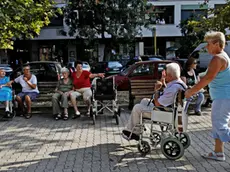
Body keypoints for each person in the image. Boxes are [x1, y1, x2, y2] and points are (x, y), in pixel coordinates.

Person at [185, 31, 230, 161]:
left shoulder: (218, 58)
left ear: (216, 44)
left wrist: (191, 91)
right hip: (222, 97)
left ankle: (218, 153)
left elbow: (208, 79)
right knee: (217, 125)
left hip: (223, 97)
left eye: (208, 44)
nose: (206, 47)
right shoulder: (223, 56)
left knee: (220, 126)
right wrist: (201, 76)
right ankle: (218, 153)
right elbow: (210, 74)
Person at [122, 63, 187, 140]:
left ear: (170, 76)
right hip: (170, 110)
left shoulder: (173, 88)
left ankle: (134, 132)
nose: (164, 75)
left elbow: (157, 103)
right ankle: (137, 128)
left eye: (165, 74)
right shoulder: (179, 83)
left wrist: (156, 90)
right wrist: (163, 82)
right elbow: (168, 94)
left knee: (137, 108)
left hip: (164, 113)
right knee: (144, 101)